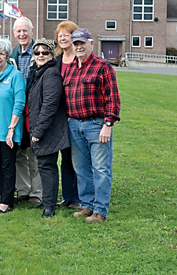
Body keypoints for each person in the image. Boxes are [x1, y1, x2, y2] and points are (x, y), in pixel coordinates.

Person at [63, 28, 121, 223]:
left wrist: (108, 124)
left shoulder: (102, 67)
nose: (79, 47)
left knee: (101, 168)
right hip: (74, 124)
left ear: (91, 44)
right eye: (76, 44)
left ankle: (100, 210)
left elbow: (112, 97)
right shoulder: (70, 68)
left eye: (82, 43)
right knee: (81, 168)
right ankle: (87, 205)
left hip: (97, 124)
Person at [26, 38, 70, 218]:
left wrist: (38, 131)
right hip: (40, 127)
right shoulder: (37, 72)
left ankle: (49, 207)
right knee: (44, 165)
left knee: (47, 166)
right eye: (37, 52)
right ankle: (47, 200)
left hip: (49, 129)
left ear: (52, 55)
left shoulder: (50, 74)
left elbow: (50, 105)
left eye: (45, 52)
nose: (41, 55)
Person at [0, 39, 26, 214]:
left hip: (8, 130)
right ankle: (3, 196)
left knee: (7, 166)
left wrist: (11, 129)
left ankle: (6, 202)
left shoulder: (15, 75)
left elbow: (20, 103)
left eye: (2, 54)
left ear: (8, 57)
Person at [10, 17, 42, 205]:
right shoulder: (13, 53)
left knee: (34, 153)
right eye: (18, 31)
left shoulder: (39, 52)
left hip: (34, 109)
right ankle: (23, 189)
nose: (22, 34)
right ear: (14, 33)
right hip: (17, 110)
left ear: (31, 31)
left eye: (25, 31)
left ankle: (37, 192)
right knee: (19, 152)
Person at [53, 20, 81, 209]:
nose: (63, 38)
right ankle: (68, 196)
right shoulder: (55, 62)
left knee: (78, 159)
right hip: (59, 117)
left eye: (67, 34)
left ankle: (80, 196)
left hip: (77, 116)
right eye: (60, 35)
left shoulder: (80, 61)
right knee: (64, 158)